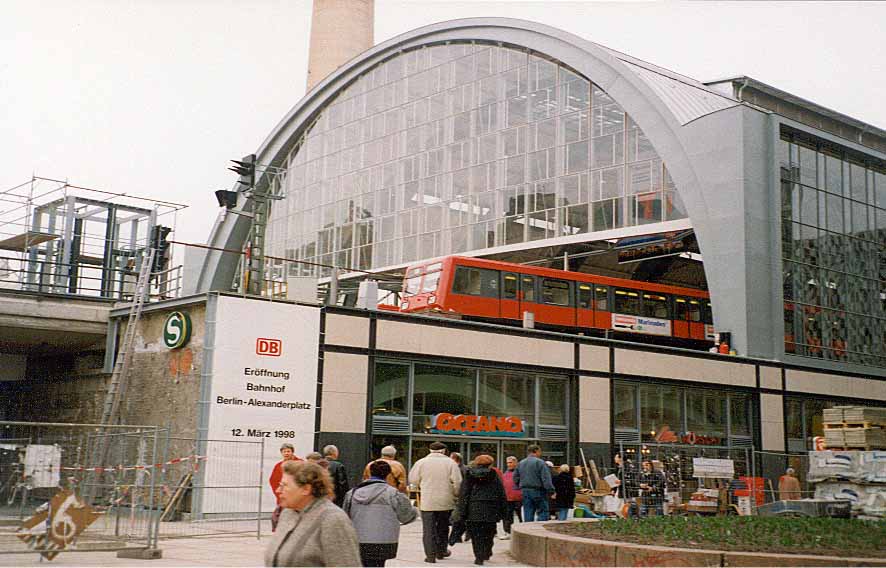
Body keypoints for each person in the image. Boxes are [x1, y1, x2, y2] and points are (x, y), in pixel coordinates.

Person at [264, 461, 361, 567]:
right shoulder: (287, 513)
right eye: (279, 485)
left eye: (284, 486)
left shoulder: (332, 520)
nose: (278, 490)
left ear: (306, 489)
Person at [344, 460, 418, 567]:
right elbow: (406, 516)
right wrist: (415, 511)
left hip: (358, 540)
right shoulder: (393, 493)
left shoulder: (352, 493)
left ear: (370, 472)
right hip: (384, 541)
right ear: (388, 474)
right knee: (378, 563)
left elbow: (344, 517)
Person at [408, 441, 463, 563]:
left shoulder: (421, 463)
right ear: (444, 451)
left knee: (428, 530)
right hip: (446, 501)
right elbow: (458, 482)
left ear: (430, 450)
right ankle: (441, 551)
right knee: (443, 528)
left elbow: (413, 480)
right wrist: (455, 494)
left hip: (428, 501)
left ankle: (430, 556)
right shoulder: (451, 463)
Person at [456, 454, 507, 566]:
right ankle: (487, 551)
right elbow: (501, 493)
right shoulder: (494, 475)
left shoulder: (469, 475)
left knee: (476, 534)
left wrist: (462, 510)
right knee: (489, 532)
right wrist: (503, 511)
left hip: (474, 508)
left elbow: (464, 493)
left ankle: (478, 556)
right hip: (491, 508)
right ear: (490, 464)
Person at [513, 444, 554, 522]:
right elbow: (546, 479)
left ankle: (528, 529)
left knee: (528, 511)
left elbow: (515, 477)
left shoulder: (521, 463)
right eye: (540, 451)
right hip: (539, 490)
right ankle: (539, 529)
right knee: (543, 511)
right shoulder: (540, 463)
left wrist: (518, 486)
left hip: (525, 491)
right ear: (536, 451)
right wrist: (551, 490)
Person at [269, 443, 302, 531]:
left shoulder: (300, 463)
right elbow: (273, 481)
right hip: (283, 496)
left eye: (288, 451)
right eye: (284, 452)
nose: (286, 453)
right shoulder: (278, 466)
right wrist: (279, 493)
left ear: (292, 452)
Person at [447, 452, 469, 546]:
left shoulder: (460, 469)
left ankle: (458, 536)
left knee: (457, 517)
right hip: (460, 496)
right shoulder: (463, 468)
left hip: (459, 496)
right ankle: (459, 536)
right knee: (458, 517)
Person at [500, 456, 522, 539]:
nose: (508, 464)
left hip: (519, 498)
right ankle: (508, 532)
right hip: (508, 498)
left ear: (516, 463)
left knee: (521, 516)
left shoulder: (520, 473)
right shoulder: (505, 474)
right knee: (507, 517)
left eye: (510, 462)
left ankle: (522, 532)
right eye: (507, 463)